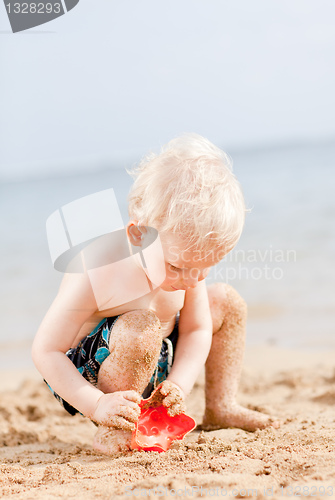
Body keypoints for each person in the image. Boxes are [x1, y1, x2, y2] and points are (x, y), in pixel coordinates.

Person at [32, 133, 278, 455]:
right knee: (142, 326)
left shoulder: (186, 261)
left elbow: (197, 328)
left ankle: (221, 406)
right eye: (178, 266)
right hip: (91, 373)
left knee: (227, 302)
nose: (193, 280)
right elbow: (46, 351)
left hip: (156, 358)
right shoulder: (97, 269)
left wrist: (179, 384)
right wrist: (97, 404)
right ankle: (115, 427)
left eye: (204, 267)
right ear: (138, 235)